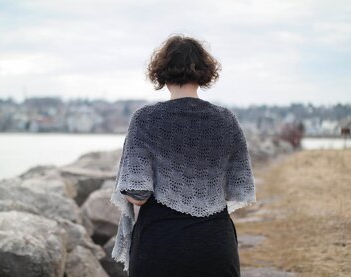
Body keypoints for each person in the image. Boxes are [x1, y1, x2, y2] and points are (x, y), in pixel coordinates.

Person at [110, 34, 256, 277]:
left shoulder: (146, 119)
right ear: (204, 73)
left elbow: (137, 195)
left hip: (160, 244)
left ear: (162, 72)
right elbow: (236, 189)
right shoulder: (225, 120)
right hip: (215, 244)